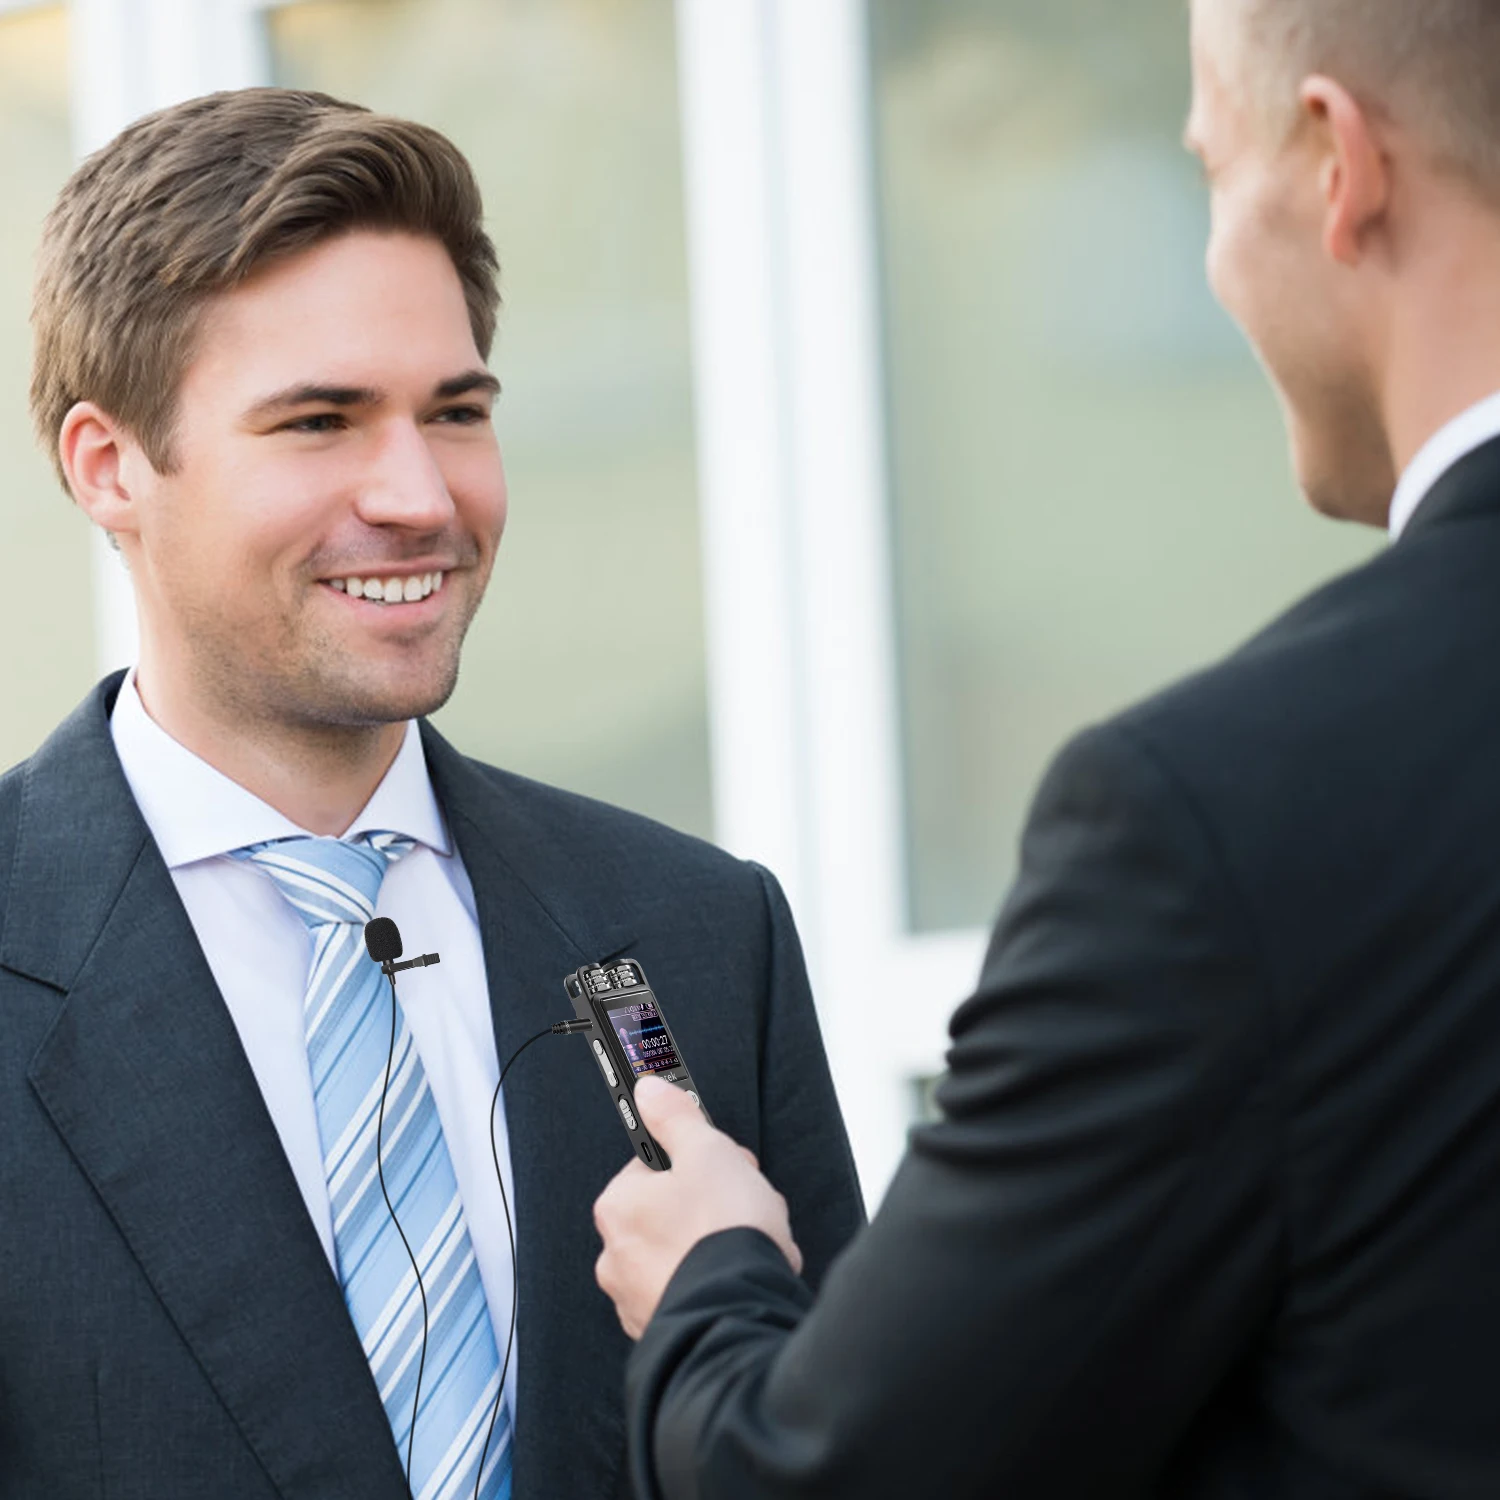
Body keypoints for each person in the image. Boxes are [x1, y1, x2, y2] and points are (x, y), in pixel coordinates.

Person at [592, 0, 1500, 1494]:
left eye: (1209, 167)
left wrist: (711, 1283)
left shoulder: (1220, 816)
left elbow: (828, 1474)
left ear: (1339, 164)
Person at [0, 88, 863, 1500]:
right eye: (321, 421)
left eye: (455, 411)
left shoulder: (706, 937)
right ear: (109, 467)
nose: (419, 494)